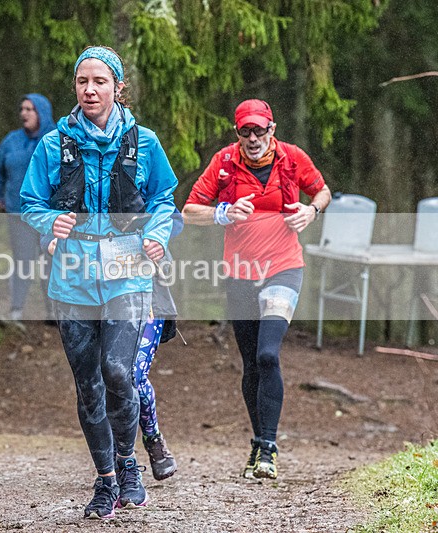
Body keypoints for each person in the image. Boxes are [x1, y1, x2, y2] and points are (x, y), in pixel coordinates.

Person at [21, 46, 177, 519]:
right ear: (75, 87)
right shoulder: (53, 144)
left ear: (118, 87)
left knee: (118, 371)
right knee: (88, 384)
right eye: (82, 82)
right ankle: (105, 479)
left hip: (128, 269)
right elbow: (29, 202)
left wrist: (155, 234)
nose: (90, 89)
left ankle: (129, 464)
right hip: (72, 276)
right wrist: (51, 223)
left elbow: (165, 198)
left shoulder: (145, 142)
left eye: (100, 82)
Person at [182, 99, 331, 480]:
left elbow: (323, 192)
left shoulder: (293, 158)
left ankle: (268, 446)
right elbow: (188, 211)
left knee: (268, 355)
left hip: (283, 268)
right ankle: (259, 442)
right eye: (245, 131)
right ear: (237, 133)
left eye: (259, 130)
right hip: (241, 272)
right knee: (250, 362)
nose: (252, 138)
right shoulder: (225, 164)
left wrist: (310, 212)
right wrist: (223, 213)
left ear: (272, 130)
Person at [40, 235, 179, 482]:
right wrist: (49, 241)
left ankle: (152, 438)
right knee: (100, 380)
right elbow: (50, 218)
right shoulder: (81, 203)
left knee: (129, 375)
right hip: (92, 299)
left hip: (145, 297)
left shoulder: (144, 199)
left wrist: (156, 242)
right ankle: (115, 465)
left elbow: (167, 217)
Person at [0, 94, 55, 321]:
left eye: (30, 109)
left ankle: (53, 312)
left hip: (49, 214)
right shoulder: (11, 140)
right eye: (22, 108)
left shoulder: (55, 138)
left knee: (51, 260)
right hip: (18, 213)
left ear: (42, 113)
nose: (24, 113)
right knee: (23, 261)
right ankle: (16, 310)